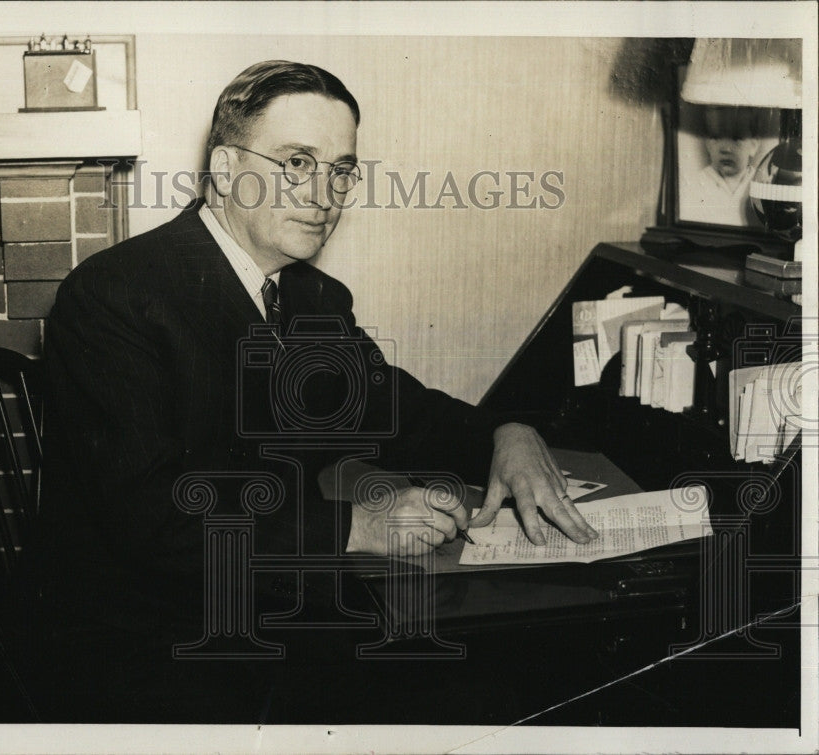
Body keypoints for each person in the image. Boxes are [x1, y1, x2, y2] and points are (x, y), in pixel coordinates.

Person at [29, 60, 598, 723]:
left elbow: (395, 412)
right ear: (224, 169)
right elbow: (155, 522)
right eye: (297, 161)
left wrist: (503, 434)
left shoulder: (307, 295)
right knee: (472, 690)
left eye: (342, 169)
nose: (324, 193)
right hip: (141, 645)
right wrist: (358, 524)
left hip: (269, 606)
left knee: (505, 666)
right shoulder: (115, 296)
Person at [681, 105, 762, 226]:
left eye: (736, 138)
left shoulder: (761, 183)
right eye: (717, 137)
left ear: (753, 145)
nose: (726, 149)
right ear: (707, 143)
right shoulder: (694, 185)